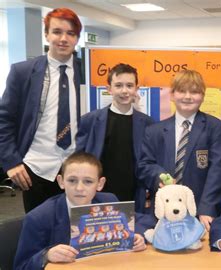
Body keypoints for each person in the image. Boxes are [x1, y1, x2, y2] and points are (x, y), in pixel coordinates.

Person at [0, 8, 83, 213]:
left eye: (70, 33)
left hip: (79, 169)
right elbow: (4, 120)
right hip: (35, 169)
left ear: (77, 38)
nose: (63, 39)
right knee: (38, 233)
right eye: (57, 32)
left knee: (77, 231)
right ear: (46, 34)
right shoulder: (23, 72)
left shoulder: (88, 72)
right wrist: (11, 162)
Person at [14, 152, 147, 270]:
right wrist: (46, 256)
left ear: (100, 184)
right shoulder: (39, 217)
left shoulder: (108, 201)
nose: (79, 188)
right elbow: (21, 265)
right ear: (61, 182)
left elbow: (137, 220)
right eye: (72, 180)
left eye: (88, 181)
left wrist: (136, 238)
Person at [138, 69, 221, 231]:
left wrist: (206, 209)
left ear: (203, 96)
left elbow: (219, 170)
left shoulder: (214, 127)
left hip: (200, 212)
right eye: (182, 91)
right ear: (172, 95)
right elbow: (145, 164)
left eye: (194, 92)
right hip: (163, 211)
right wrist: (159, 176)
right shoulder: (154, 130)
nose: (188, 97)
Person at [75, 63, 154, 213]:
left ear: (137, 89)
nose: (124, 91)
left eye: (129, 85)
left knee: (129, 234)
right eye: (118, 85)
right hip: (97, 195)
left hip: (133, 194)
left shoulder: (148, 124)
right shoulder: (89, 121)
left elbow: (149, 161)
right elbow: (78, 160)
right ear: (109, 89)